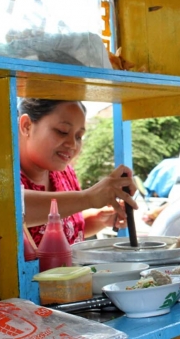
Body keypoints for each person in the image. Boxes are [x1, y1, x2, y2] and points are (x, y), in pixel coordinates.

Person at [18, 98, 138, 246]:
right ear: (26, 126)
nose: (72, 144)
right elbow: (13, 208)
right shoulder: (3, 174)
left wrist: (98, 218)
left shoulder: (64, 173)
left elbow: (67, 230)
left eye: (78, 136)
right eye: (62, 132)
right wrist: (88, 198)